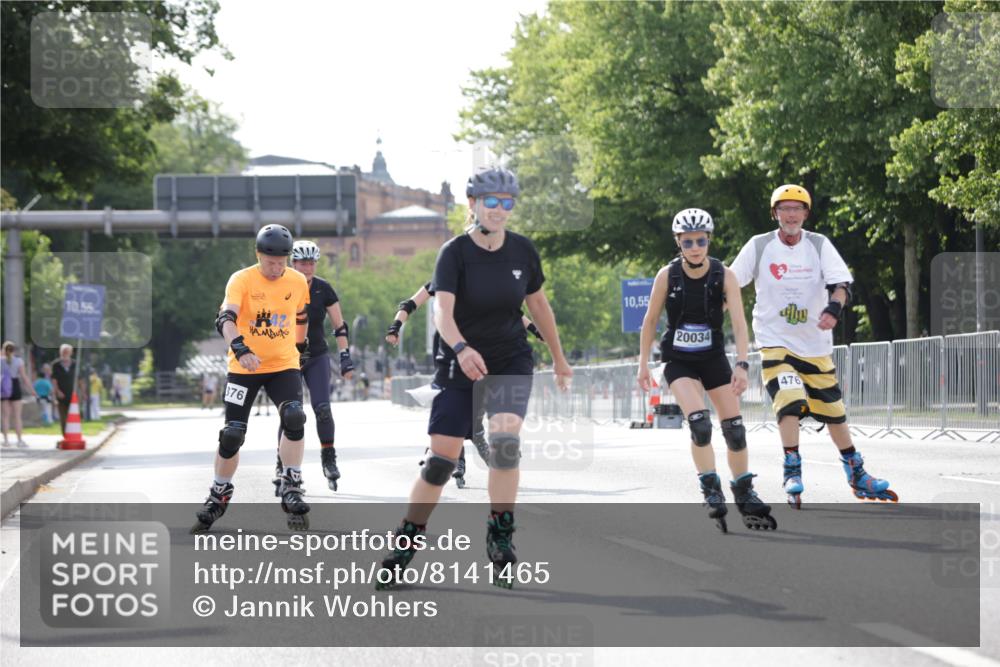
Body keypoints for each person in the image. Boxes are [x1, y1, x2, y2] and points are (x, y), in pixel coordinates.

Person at [375, 166, 572, 590]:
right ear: (473, 204)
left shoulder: (522, 251)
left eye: (507, 203)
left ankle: (500, 534)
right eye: (491, 202)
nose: (499, 210)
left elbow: (539, 307)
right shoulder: (454, 253)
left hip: (509, 358)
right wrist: (462, 349)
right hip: (458, 360)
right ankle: (407, 540)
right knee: (440, 464)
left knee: (504, 445)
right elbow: (442, 313)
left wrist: (559, 358)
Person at [729, 184, 897, 507]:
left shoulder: (818, 244)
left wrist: (834, 308)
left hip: (815, 345)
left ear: (806, 214)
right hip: (775, 342)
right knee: (790, 400)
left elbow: (840, 284)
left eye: (797, 209)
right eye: (784, 209)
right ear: (775, 213)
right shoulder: (759, 246)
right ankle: (792, 468)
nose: (791, 215)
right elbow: (731, 284)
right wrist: (710, 310)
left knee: (834, 413)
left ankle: (856, 472)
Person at [637, 209, 775, 532]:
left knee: (735, 430)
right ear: (679, 243)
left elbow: (739, 324)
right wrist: (643, 363)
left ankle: (744, 492)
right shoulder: (667, 276)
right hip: (679, 360)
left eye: (700, 241)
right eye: (688, 242)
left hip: (712, 357)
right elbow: (650, 320)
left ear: (708, 240)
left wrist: (742, 365)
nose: (695, 247)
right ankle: (711, 487)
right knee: (700, 425)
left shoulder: (724, 275)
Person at [191, 224, 312, 533]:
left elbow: (301, 316)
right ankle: (219, 492)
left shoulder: (297, 281)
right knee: (232, 434)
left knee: (294, 417)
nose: (276, 268)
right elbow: (225, 318)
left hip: (283, 364)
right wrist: (240, 347)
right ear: (258, 255)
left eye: (281, 262)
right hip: (244, 367)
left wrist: (301, 348)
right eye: (270, 262)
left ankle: (291, 482)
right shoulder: (241, 280)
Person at [387, 280, 546, 487]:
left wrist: (535, 329)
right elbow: (410, 304)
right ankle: (458, 455)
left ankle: (483, 442)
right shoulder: (445, 276)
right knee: (455, 401)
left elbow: (511, 313)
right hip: (449, 347)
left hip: (479, 346)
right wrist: (395, 326)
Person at [271, 240, 356, 493]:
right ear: (293, 263)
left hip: (317, 356)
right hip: (288, 357)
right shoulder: (280, 285)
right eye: (302, 263)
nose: (307, 268)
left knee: (323, 409)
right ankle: (281, 464)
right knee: (291, 414)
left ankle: (328, 458)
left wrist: (345, 356)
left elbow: (339, 326)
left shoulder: (323, 288)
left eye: (311, 263)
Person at [1, 341, 37, 447]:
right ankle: (19, 440)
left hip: (3, 387)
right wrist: (32, 390)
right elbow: (24, 377)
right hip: (15, 386)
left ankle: (6, 440)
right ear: (14, 350)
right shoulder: (19, 361)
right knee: (17, 416)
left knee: (5, 416)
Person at [50, 344, 76, 435]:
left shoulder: (75, 364)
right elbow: (54, 380)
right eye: (63, 352)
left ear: (71, 353)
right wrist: (57, 391)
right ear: (60, 352)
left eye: (67, 352)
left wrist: (82, 392)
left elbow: (80, 379)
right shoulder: (56, 365)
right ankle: (65, 434)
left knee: (73, 415)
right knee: (63, 416)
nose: (65, 353)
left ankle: (73, 433)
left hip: (73, 393)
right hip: (61, 394)